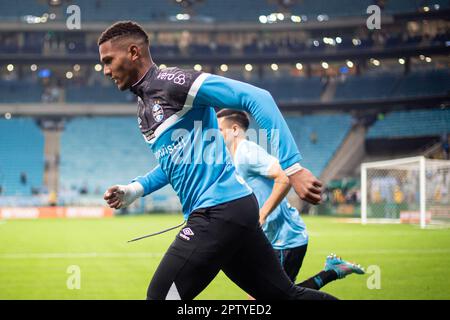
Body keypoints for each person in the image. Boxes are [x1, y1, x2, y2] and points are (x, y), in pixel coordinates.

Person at [99, 21, 335, 300]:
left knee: (160, 298)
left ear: (134, 52)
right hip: (232, 211)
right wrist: (133, 190)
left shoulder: (173, 83)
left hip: (217, 213)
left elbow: (257, 97)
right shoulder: (143, 109)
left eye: (108, 60)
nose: (105, 70)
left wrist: (292, 166)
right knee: (284, 297)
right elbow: (174, 164)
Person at [217, 109, 364, 290]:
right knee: (267, 295)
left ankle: (332, 272)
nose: (216, 134)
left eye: (219, 129)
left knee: (277, 297)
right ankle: (332, 271)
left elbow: (285, 176)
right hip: (271, 238)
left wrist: (262, 214)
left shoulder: (247, 152)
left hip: (285, 239)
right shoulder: (237, 157)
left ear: (234, 129)